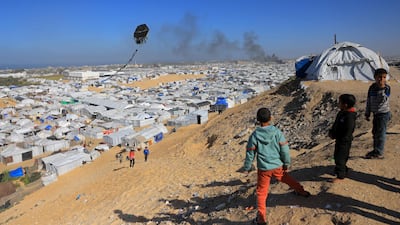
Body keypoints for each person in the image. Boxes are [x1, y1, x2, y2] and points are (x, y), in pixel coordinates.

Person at [242, 107, 310, 225]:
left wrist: (247, 167)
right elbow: (284, 149)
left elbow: (250, 153)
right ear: (271, 118)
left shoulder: (254, 135)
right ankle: (302, 191)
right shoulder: (277, 132)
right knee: (287, 179)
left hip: (263, 168)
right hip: (277, 165)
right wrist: (286, 162)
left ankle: (261, 219)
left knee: (262, 192)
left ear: (258, 120)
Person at [328, 94, 357, 182]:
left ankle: (340, 176)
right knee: (337, 156)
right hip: (339, 139)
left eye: (340, 102)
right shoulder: (342, 112)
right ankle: (342, 169)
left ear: (345, 104)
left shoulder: (349, 117)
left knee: (340, 157)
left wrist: (337, 136)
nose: (338, 104)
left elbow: (347, 130)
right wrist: (332, 133)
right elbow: (337, 124)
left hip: (344, 141)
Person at [365, 68, 391, 159]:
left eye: (384, 77)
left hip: (383, 114)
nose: (382, 79)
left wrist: (381, 89)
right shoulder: (372, 88)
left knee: (380, 133)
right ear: (375, 77)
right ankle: (376, 150)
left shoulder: (387, 88)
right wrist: (367, 112)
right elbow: (369, 100)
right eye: (379, 77)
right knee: (375, 132)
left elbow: (383, 100)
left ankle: (379, 152)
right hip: (376, 114)